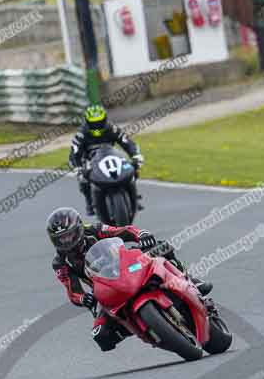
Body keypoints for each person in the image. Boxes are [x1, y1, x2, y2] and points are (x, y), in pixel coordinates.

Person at [47, 207, 212, 352]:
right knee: (101, 336)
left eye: (69, 235)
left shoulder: (94, 229)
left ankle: (190, 279)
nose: (67, 240)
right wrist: (83, 298)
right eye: (62, 238)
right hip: (104, 289)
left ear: (79, 228)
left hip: (127, 266)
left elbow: (123, 231)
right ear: (54, 240)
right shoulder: (60, 263)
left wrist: (141, 235)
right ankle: (145, 329)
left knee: (161, 247)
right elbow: (72, 290)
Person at [69, 105, 144, 216]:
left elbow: (127, 142)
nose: (97, 126)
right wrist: (78, 168)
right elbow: (74, 153)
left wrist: (136, 155)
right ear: (87, 122)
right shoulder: (81, 134)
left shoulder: (111, 128)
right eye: (93, 123)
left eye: (99, 122)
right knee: (83, 179)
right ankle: (90, 202)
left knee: (131, 167)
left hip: (110, 154)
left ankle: (134, 197)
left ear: (104, 119)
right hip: (90, 158)